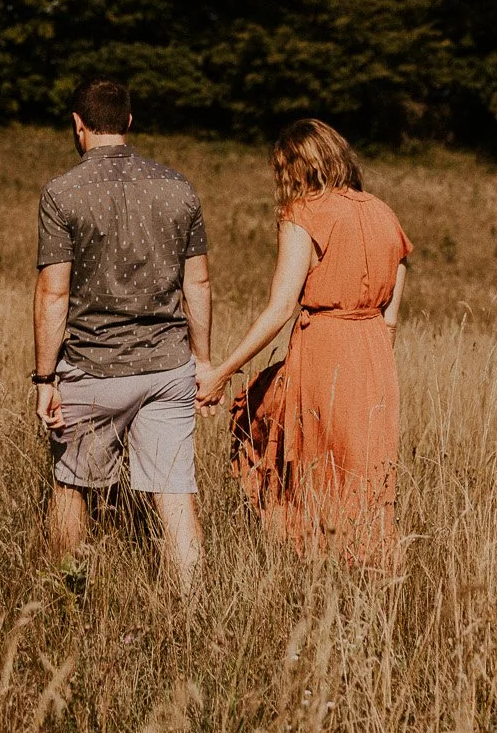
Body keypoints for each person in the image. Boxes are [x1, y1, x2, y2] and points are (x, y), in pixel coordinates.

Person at [196, 119, 410, 566]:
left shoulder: (304, 213)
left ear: (295, 169)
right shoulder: (384, 214)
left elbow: (280, 309)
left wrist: (222, 371)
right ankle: (365, 581)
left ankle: (307, 568)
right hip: (374, 358)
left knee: (294, 455)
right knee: (363, 479)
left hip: (325, 351)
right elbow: (390, 319)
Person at [32, 77, 212, 591]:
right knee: (175, 496)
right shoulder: (179, 188)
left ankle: (64, 599)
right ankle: (192, 610)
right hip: (169, 368)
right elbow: (196, 281)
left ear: (78, 124)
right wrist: (201, 361)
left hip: (93, 368)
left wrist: (46, 377)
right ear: (129, 123)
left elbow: (53, 294)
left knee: (72, 486)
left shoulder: (61, 193)